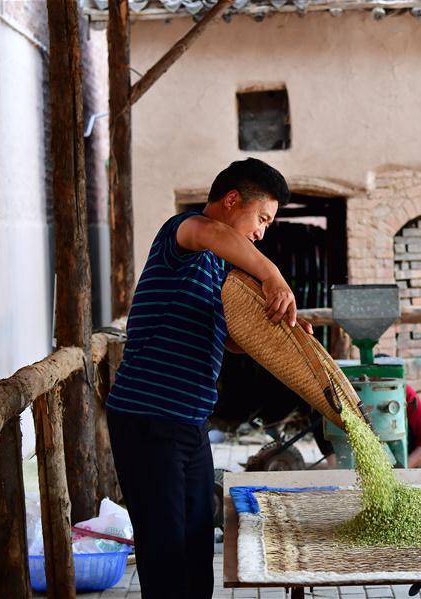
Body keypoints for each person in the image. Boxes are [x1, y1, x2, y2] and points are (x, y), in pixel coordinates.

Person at [106, 158, 311, 598]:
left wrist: (288, 335)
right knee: (166, 553)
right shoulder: (184, 234)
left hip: (190, 423)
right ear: (232, 200)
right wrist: (272, 275)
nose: (261, 233)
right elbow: (215, 233)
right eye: (261, 219)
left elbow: (234, 339)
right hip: (147, 419)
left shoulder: (221, 271)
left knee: (198, 544)